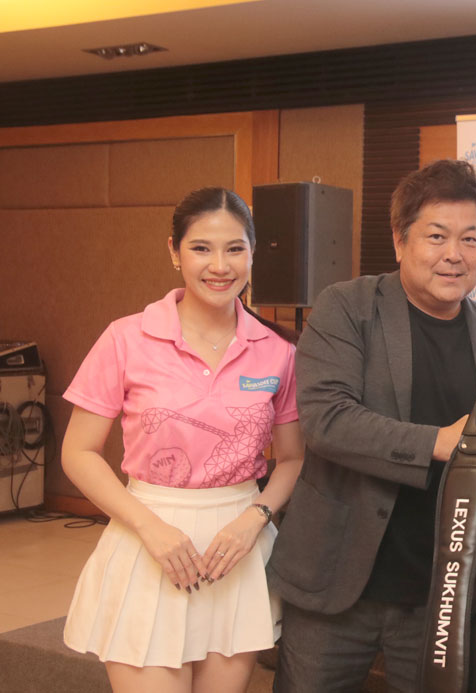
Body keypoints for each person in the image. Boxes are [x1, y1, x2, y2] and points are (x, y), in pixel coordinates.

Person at [267, 159, 476, 692]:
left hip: (439, 593)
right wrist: (440, 443)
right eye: (437, 236)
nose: (454, 254)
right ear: (400, 240)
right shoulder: (347, 308)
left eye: (470, 239)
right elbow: (327, 420)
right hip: (336, 580)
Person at [61, 187, 305, 693]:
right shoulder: (126, 337)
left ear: (252, 254)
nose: (219, 265)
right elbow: (78, 453)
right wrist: (150, 527)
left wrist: (255, 519)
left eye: (235, 249)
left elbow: (292, 459)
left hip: (237, 550)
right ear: (174, 252)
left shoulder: (278, 351)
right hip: (147, 539)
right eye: (201, 248)